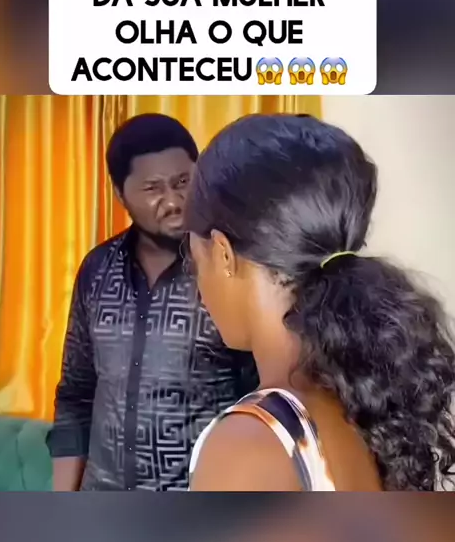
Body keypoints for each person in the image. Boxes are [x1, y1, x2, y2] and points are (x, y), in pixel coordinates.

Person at [184, 113, 455, 491]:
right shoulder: (365, 407)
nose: (198, 290)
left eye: (194, 261)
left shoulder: (251, 444)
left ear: (223, 254)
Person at [46, 113, 258, 491]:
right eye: (152, 188)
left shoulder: (228, 269)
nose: (173, 201)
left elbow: (259, 401)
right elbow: (76, 394)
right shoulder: (97, 270)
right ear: (120, 194)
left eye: (183, 182)